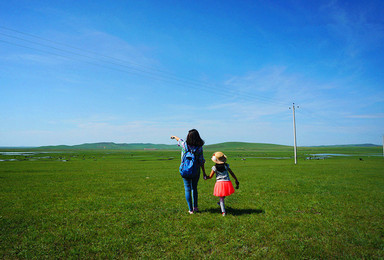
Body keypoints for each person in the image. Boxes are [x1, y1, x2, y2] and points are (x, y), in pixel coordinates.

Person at [171, 129, 207, 214]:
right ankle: (195, 207)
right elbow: (201, 161)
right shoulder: (199, 148)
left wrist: (173, 136)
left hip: (185, 170)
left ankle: (190, 210)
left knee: (187, 189)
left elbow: (179, 140)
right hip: (195, 170)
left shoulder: (184, 145)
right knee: (194, 188)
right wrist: (204, 173)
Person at [207, 151, 239, 216]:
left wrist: (206, 177)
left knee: (221, 197)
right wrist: (236, 179)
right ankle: (221, 205)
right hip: (227, 182)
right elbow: (232, 173)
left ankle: (223, 212)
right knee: (224, 193)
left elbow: (210, 176)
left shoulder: (214, 167)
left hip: (219, 183)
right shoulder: (226, 166)